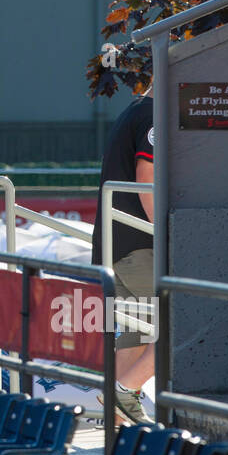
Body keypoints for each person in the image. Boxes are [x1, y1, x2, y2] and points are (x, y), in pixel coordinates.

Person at [90, 86, 155, 425]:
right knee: (179, 324)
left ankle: (117, 421)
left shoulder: (133, 110)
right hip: (138, 247)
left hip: (116, 246)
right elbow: (147, 181)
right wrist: (171, 235)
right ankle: (124, 392)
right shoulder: (151, 115)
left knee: (136, 333)